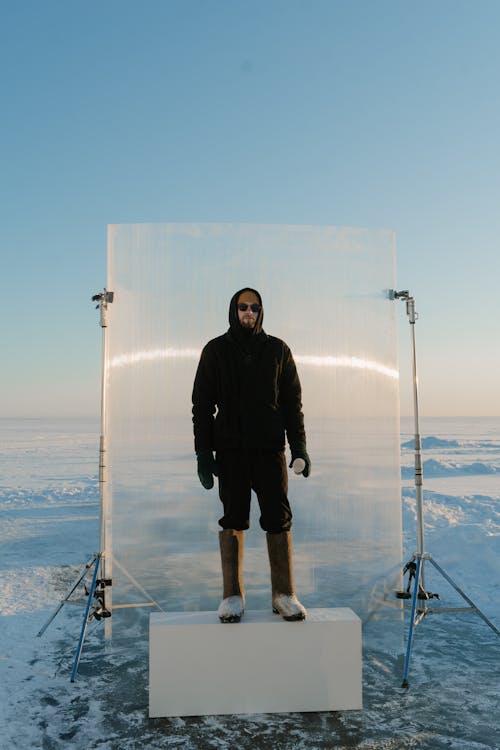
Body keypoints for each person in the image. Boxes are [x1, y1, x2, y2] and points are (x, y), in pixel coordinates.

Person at [192, 287, 311, 623]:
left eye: (254, 307)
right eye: (243, 307)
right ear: (234, 310)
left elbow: (293, 405)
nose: (249, 313)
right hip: (230, 452)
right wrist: (203, 453)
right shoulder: (215, 351)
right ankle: (232, 596)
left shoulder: (278, 350)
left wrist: (299, 447)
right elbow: (201, 406)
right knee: (233, 519)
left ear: (261, 311)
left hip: (270, 450)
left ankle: (284, 594)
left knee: (278, 519)